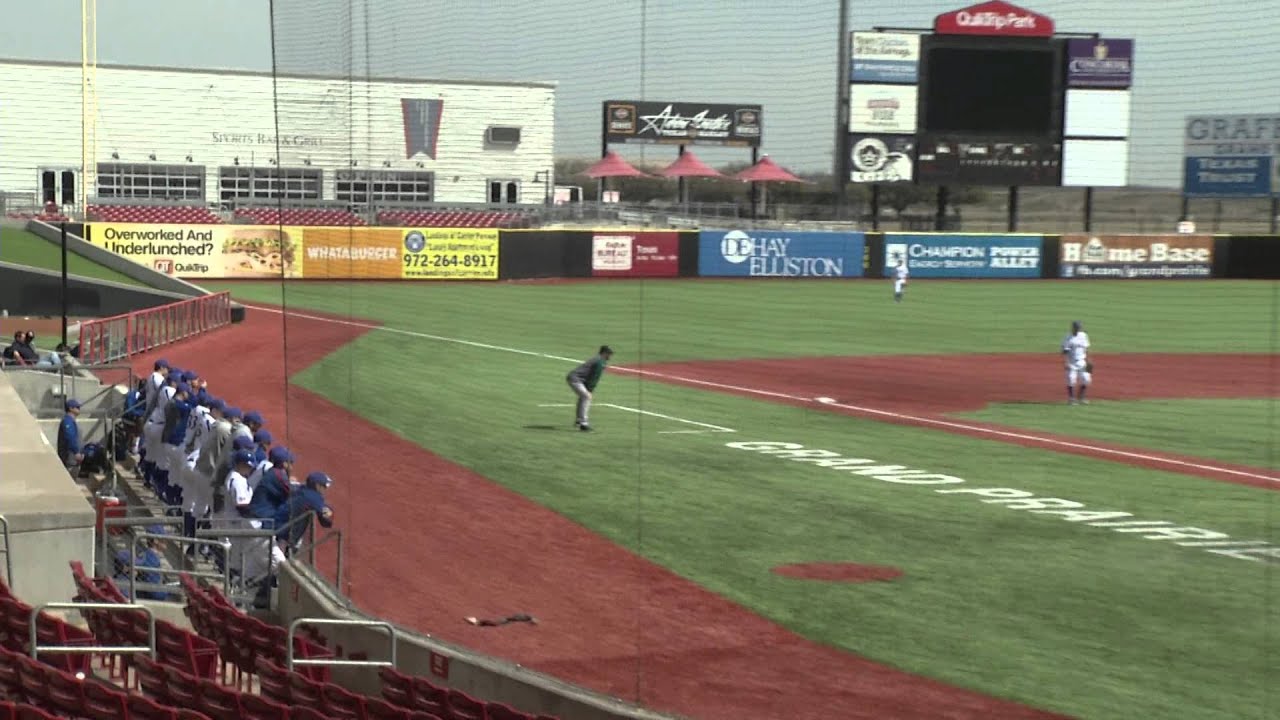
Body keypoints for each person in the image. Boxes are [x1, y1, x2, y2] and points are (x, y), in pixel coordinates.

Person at [565, 345, 613, 431]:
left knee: (583, 397)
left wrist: (588, 389)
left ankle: (579, 420)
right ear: (604, 353)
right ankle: (584, 424)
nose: (610, 356)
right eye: (609, 353)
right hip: (575, 379)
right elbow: (594, 377)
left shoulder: (599, 360)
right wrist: (590, 390)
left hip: (575, 378)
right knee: (586, 397)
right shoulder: (599, 362)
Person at [1061, 320, 1093, 405]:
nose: (1078, 329)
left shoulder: (1084, 335)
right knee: (1071, 380)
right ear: (1073, 328)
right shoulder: (1068, 337)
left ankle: (1081, 397)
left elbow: (1087, 348)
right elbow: (1065, 351)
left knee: (1087, 379)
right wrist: (1066, 362)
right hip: (1071, 362)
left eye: (1079, 328)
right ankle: (1071, 399)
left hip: (1082, 361)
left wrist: (1089, 359)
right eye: (1077, 327)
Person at [57, 399, 84, 470]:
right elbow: (70, 437)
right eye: (77, 407)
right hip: (70, 457)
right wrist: (76, 452)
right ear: (70, 408)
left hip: (74, 457)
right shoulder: (67, 421)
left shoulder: (71, 421)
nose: (79, 409)